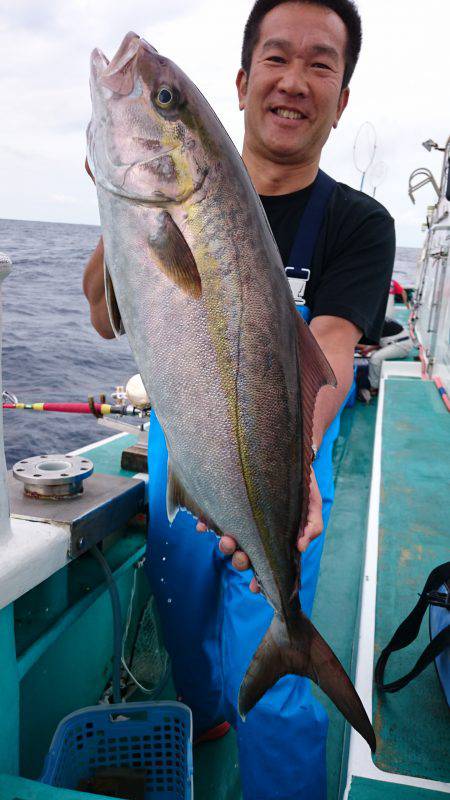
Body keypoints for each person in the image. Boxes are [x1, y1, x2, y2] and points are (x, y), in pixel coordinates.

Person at [83, 1, 395, 797]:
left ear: (343, 95)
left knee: (280, 675)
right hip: (178, 444)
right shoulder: (167, 200)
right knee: (180, 611)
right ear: (243, 79)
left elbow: (325, 347)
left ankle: (284, 678)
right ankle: (208, 712)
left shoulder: (357, 223)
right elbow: (104, 313)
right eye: (277, 58)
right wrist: (119, 207)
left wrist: (296, 473)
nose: (294, 81)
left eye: (320, 63)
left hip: (285, 453)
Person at [359, 317, 413, 394]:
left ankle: (374, 388)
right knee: (373, 354)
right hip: (393, 342)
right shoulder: (377, 319)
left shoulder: (373, 323)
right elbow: (382, 341)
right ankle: (375, 381)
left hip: (401, 345)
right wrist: (368, 349)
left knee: (375, 358)